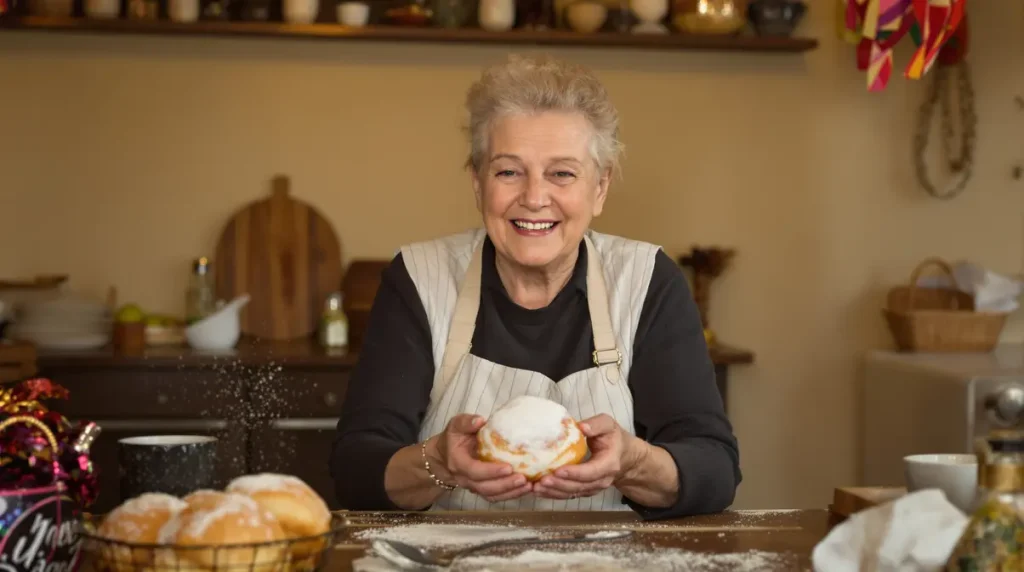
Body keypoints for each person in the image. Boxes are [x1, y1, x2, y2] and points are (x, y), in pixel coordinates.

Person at [330, 54, 740, 520]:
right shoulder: (420, 278)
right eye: (508, 171)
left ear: (600, 188)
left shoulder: (646, 280)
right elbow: (354, 468)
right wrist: (440, 464)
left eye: (562, 173)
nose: (534, 197)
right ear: (478, 183)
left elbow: (715, 469)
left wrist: (631, 463)